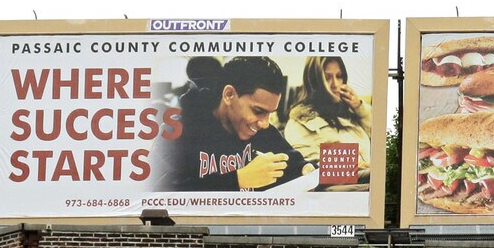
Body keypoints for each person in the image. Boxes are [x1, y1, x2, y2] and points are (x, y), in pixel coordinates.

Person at [158, 56, 306, 192]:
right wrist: (238, 180)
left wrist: (305, 169)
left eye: (270, 113)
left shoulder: (261, 131)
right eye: (258, 111)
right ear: (229, 95)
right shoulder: (178, 131)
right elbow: (157, 193)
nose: (265, 123)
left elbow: (293, 161)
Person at [281, 57, 373, 184]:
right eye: (327, 78)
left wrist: (359, 107)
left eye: (339, 76)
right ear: (314, 81)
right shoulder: (299, 123)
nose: (335, 84)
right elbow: (307, 170)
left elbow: (382, 137)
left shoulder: (350, 113)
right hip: (339, 195)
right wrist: (351, 165)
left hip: (366, 189)